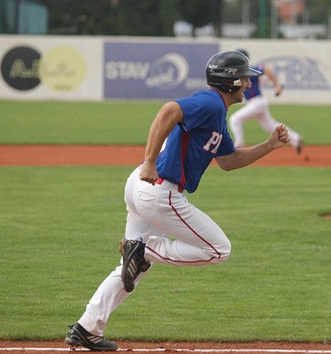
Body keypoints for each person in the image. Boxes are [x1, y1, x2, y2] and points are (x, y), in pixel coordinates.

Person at [64, 51, 290, 351]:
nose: (249, 83)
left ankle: (87, 327)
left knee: (131, 269)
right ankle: (144, 250)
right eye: (245, 78)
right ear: (232, 81)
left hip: (143, 188)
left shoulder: (217, 116)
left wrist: (270, 145)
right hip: (159, 190)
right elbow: (168, 111)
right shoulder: (210, 103)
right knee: (218, 249)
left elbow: (229, 161)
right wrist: (148, 162)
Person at [228, 49, 304, 154]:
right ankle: (296, 139)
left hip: (257, 103)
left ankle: (239, 145)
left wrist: (276, 85)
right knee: (270, 126)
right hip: (257, 103)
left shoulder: (249, 69)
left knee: (234, 120)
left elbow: (266, 69)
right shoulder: (241, 73)